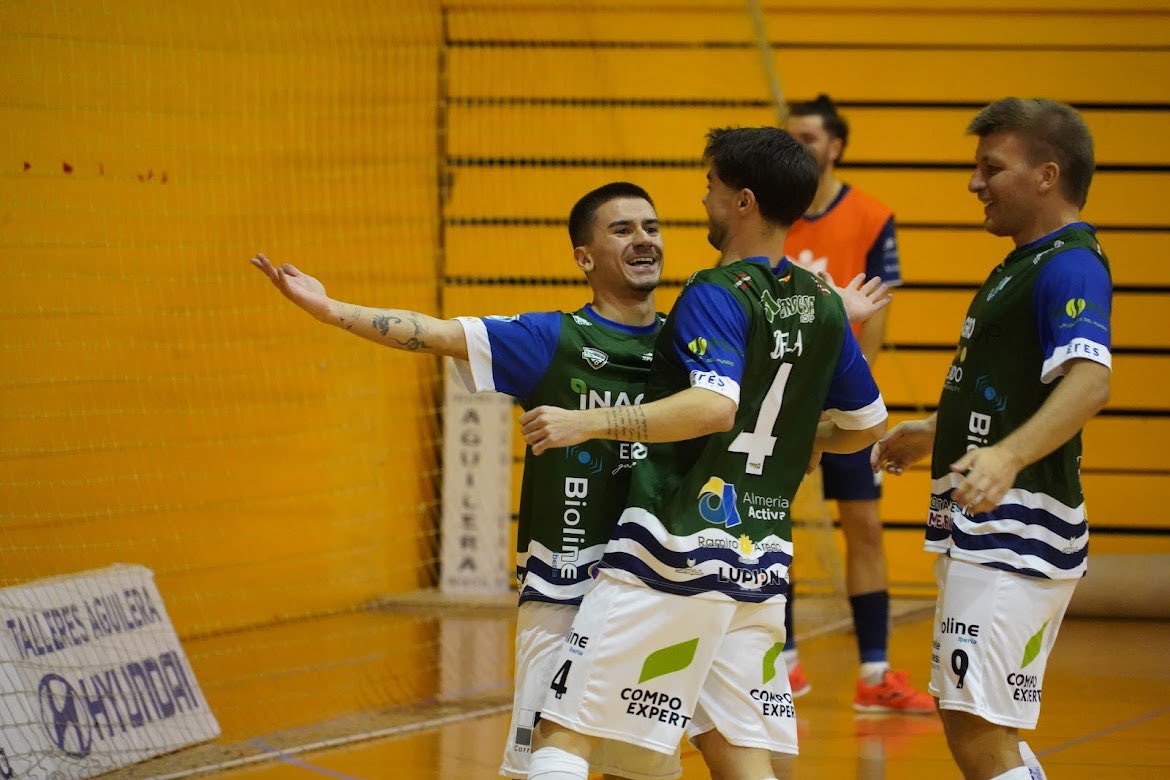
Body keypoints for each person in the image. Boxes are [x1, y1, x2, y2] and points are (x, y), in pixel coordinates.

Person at [252, 182, 890, 780]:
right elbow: (435, 333)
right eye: (621, 230)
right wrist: (331, 309)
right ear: (584, 257)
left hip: (670, 576)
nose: (644, 239)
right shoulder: (550, 339)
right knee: (560, 753)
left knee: (654, 762)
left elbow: (784, 398)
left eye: (652, 225)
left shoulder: (700, 334)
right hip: (570, 581)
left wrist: (835, 317)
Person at [519, 126, 888, 780]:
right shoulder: (823, 306)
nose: (702, 202)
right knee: (743, 757)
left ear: (743, 202)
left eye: (711, 188)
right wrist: (798, 444)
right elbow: (865, 425)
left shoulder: (715, 293)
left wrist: (589, 423)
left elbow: (713, 407)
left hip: (676, 543)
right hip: (761, 560)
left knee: (563, 733)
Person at [871, 98, 1112, 780]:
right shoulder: (1022, 263)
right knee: (979, 720)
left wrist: (1007, 455)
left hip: (1019, 530)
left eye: (991, 168)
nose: (975, 184)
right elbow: (1007, 392)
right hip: (987, 528)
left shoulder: (1070, 265)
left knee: (977, 729)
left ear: (1045, 174)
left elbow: (1090, 382)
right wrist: (934, 432)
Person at [781, 94, 932, 713]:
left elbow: (873, 318)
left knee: (864, 527)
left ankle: (875, 672)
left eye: (809, 137)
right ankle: (781, 661)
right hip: (782, 404)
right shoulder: (772, 212)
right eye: (790, 138)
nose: (800, 147)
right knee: (765, 522)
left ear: (835, 144)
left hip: (843, 399)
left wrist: (843, 395)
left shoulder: (871, 215)